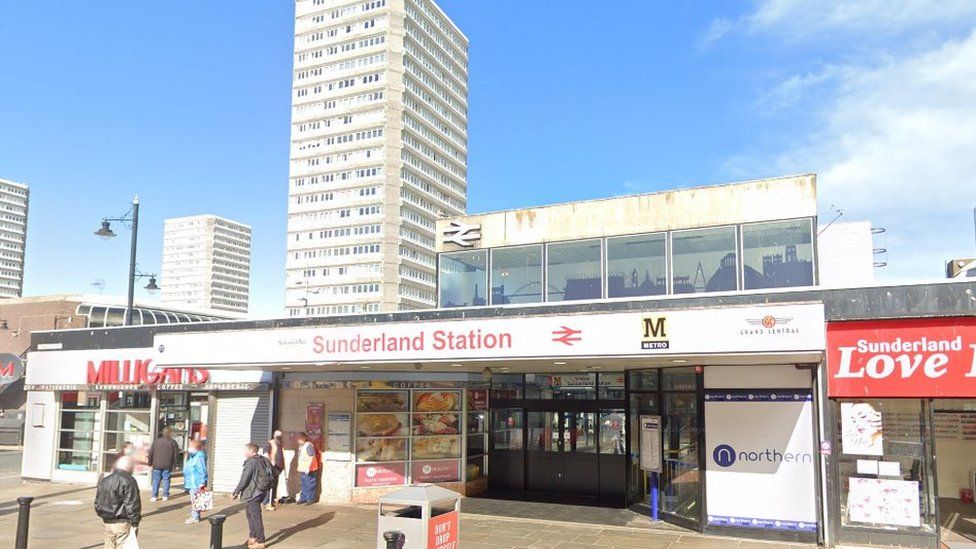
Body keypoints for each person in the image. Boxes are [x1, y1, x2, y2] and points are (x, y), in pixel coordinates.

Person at [95, 455, 141, 549]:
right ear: (129, 466)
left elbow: (97, 500)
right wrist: (135, 522)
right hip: (122, 522)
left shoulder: (105, 480)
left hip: (107, 521)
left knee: (109, 546)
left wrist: (101, 513)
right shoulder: (129, 480)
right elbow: (132, 503)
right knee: (123, 545)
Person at [232, 443, 268, 549]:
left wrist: (236, 491)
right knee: (250, 514)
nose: (244, 452)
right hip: (260, 491)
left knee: (255, 516)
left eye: (246, 450)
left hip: (254, 492)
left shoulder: (251, 462)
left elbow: (245, 478)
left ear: (252, 451)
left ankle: (260, 541)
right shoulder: (262, 459)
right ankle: (253, 536)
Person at [147, 427, 180, 502]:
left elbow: (151, 453)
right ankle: (165, 495)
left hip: (156, 464)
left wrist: (149, 463)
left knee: (156, 480)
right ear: (170, 433)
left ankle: (154, 496)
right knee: (166, 479)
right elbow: (176, 455)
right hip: (167, 464)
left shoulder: (156, 442)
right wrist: (176, 464)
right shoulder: (173, 442)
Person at [183, 439, 208, 524]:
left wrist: (203, 482)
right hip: (191, 481)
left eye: (191, 446)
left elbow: (202, 470)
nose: (189, 448)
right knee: (195, 499)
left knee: (195, 499)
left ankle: (195, 517)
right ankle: (195, 516)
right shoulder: (193, 456)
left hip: (196, 482)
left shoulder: (199, 457)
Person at [263, 430, 287, 511]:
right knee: (270, 485)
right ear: (274, 435)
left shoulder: (280, 444)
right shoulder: (270, 443)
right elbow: (266, 454)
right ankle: (267, 502)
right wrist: (270, 462)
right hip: (271, 467)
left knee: (275, 485)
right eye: (278, 436)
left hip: (278, 468)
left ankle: (271, 500)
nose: (279, 438)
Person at [295, 432, 319, 505]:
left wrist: (308, 468)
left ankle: (310, 498)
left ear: (302, 438)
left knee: (310, 484)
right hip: (303, 468)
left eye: (298, 439)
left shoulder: (308, 445)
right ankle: (303, 498)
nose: (297, 440)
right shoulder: (301, 446)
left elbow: (311, 457)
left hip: (309, 469)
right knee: (304, 484)